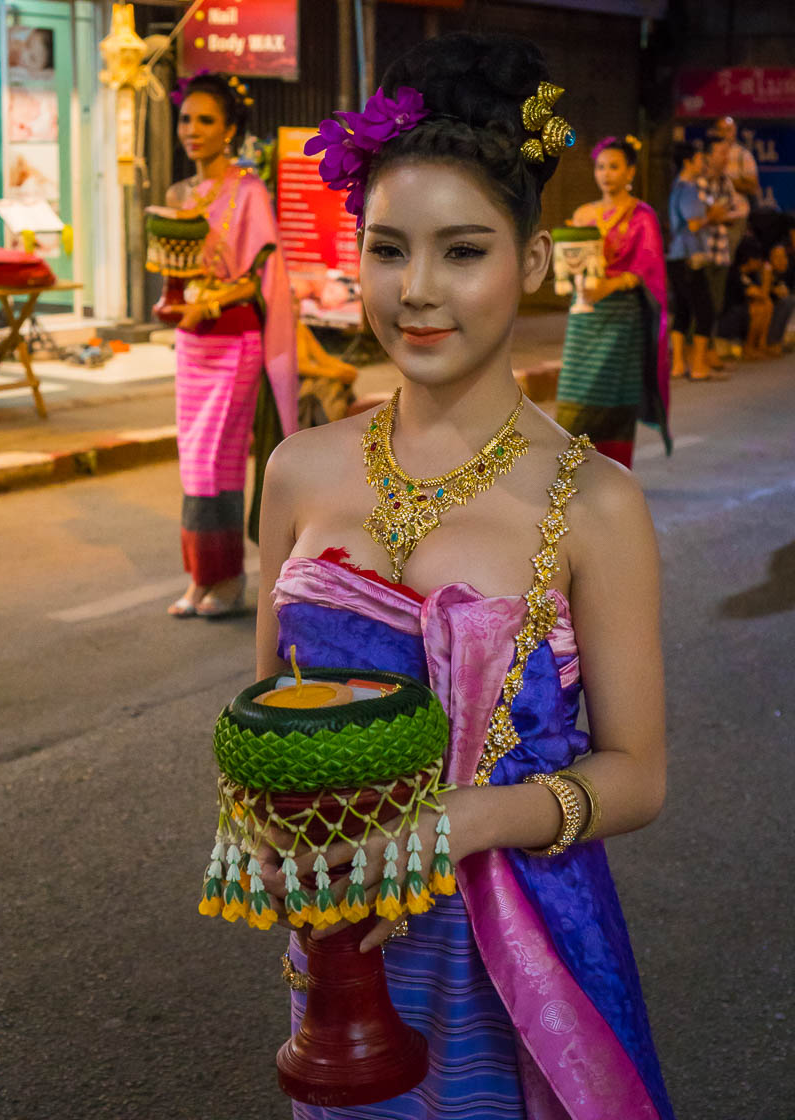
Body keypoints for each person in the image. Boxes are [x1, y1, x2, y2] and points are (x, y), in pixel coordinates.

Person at [255, 32, 676, 1120]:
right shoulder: (298, 470)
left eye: (463, 250)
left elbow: (636, 773)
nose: (418, 291)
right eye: (388, 249)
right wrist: (265, 832)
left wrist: (462, 822)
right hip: (345, 961)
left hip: (523, 966)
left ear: (531, 264)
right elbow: (263, 725)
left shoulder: (593, 503)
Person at [164, 72, 297, 618]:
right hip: (190, 341)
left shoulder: (247, 190)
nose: (192, 130)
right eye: (186, 119)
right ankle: (201, 575)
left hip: (234, 338)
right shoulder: (178, 194)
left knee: (219, 459)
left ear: (231, 130)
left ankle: (230, 581)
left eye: (206, 120)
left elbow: (260, 271)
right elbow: (172, 269)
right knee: (193, 462)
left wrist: (212, 302)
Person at [555, 135, 671, 468]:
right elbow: (572, 262)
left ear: (630, 171)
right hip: (584, 318)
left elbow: (647, 269)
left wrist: (610, 285)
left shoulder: (641, 216)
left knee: (612, 394)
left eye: (615, 167)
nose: (606, 174)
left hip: (622, 318)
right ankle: (573, 468)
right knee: (575, 394)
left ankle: (613, 473)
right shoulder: (583, 214)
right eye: (601, 167)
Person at [667, 141, 722, 380]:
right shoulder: (689, 189)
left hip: (676, 257)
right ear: (688, 161)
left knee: (682, 310)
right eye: (701, 159)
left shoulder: (676, 186)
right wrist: (713, 215)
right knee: (705, 310)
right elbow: (694, 223)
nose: (704, 164)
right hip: (690, 258)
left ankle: (679, 364)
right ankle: (699, 366)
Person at [697, 135, 744, 368]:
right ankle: (698, 354)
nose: (726, 158)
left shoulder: (726, 181)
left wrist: (718, 213)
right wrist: (716, 214)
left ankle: (709, 349)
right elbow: (703, 215)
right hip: (701, 252)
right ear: (708, 155)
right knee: (700, 305)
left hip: (721, 250)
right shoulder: (699, 181)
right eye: (722, 153)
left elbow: (738, 211)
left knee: (716, 303)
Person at [717, 237, 773, 358]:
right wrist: (767, 276)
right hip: (728, 320)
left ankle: (760, 344)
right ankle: (749, 346)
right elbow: (760, 294)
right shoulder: (734, 273)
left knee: (766, 304)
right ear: (749, 259)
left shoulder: (752, 275)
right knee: (757, 307)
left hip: (742, 317)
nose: (760, 262)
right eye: (758, 259)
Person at [766, 242, 795, 354]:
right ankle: (771, 342)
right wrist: (772, 289)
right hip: (757, 318)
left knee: (789, 300)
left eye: (783, 257)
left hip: (773, 314)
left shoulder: (787, 272)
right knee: (785, 302)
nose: (781, 260)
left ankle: (777, 340)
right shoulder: (766, 271)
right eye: (777, 257)